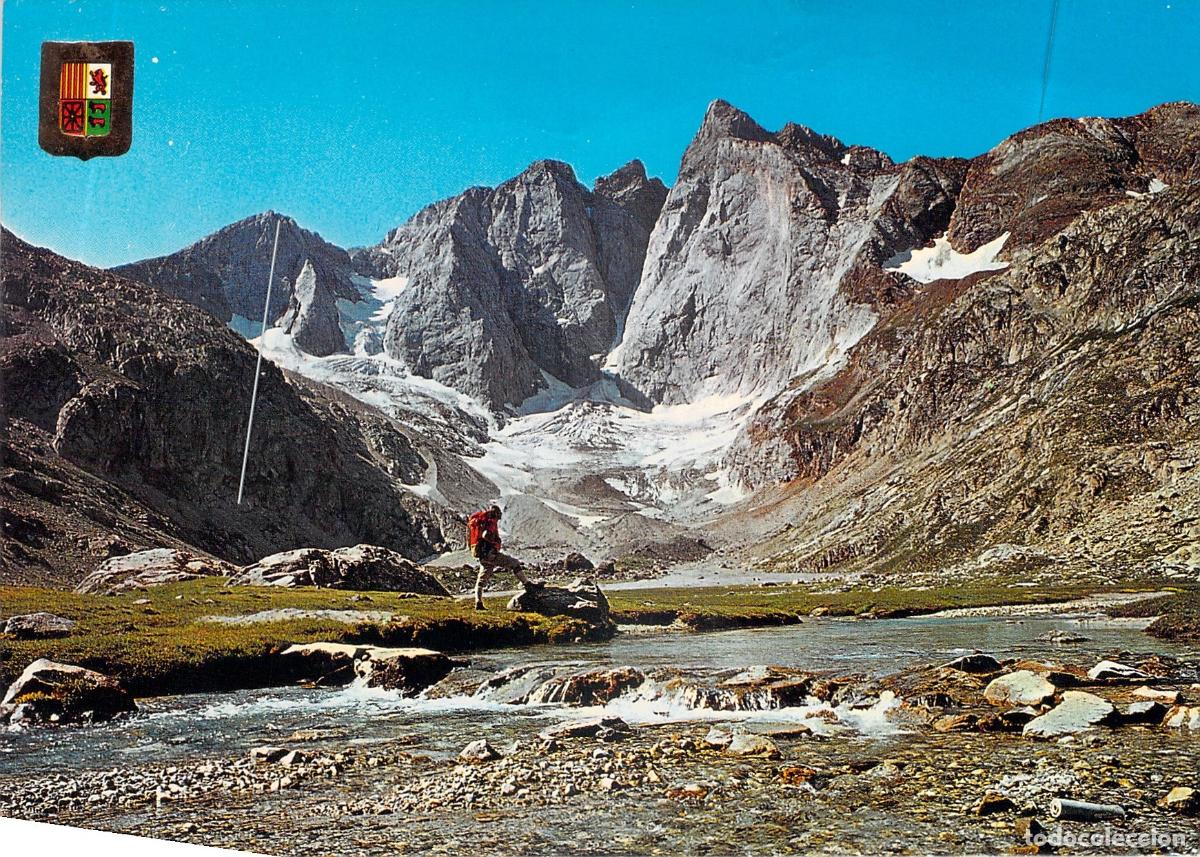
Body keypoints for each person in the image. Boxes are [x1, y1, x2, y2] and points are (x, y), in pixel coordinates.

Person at [468, 504, 538, 610]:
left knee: (481, 580)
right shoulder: (490, 522)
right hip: (491, 554)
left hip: (483, 556)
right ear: (496, 514)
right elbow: (486, 535)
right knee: (514, 563)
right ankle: (527, 584)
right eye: (499, 515)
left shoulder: (482, 521)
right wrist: (495, 541)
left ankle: (478, 602)